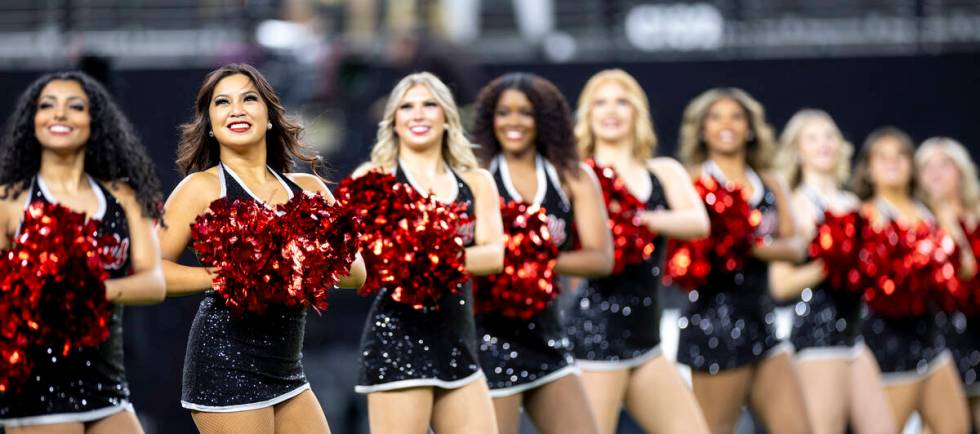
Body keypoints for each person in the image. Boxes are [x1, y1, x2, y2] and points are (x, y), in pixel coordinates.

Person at [158, 63, 366, 434]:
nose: (236, 109)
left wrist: (303, 260)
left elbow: (357, 274)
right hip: (225, 366)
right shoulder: (200, 189)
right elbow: (152, 272)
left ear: (269, 115)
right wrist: (228, 274)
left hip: (287, 370)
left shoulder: (309, 189)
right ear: (210, 122)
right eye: (222, 103)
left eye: (249, 98)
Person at [0, 71, 166, 433]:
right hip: (36, 386)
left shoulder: (125, 199)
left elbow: (153, 283)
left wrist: (87, 289)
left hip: (107, 386)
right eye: (47, 105)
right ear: (33, 121)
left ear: (95, 122)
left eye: (75, 106)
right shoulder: (10, 201)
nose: (59, 114)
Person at [349, 72, 504, 434]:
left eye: (429, 104)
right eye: (407, 107)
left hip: (459, 344)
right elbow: (357, 265)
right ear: (394, 121)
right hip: (397, 343)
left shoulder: (476, 181)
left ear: (447, 116)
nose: (418, 115)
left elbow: (494, 255)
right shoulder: (373, 179)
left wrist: (422, 258)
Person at [563, 69, 711, 434]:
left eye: (621, 101)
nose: (611, 111)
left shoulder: (663, 171)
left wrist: (639, 219)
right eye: (600, 102)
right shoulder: (578, 175)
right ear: (588, 115)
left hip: (646, 340)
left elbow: (698, 223)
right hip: (595, 338)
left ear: (637, 113)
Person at [470, 72, 611, 434]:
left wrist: (531, 258)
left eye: (526, 113)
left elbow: (600, 259)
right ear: (490, 119)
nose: (513, 122)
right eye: (503, 113)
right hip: (485, 339)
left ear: (544, 120)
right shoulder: (476, 175)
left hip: (548, 337)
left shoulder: (571, 177)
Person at [675, 87, 811, 434]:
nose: (727, 125)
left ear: (750, 128)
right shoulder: (691, 182)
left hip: (762, 321)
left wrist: (742, 242)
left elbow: (795, 247)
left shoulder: (770, 183)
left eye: (736, 116)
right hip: (712, 326)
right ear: (702, 129)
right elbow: (679, 250)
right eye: (715, 117)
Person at [771, 109, 894, 434]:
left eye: (830, 135)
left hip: (855, 336)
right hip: (817, 339)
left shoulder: (854, 203)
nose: (824, 143)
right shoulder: (793, 205)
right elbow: (780, 285)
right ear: (798, 151)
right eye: (812, 138)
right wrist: (832, 263)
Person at [852, 128, 969, 433]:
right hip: (888, 338)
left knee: (956, 427)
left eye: (901, 155)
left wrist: (944, 214)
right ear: (868, 167)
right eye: (883, 157)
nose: (893, 163)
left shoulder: (927, 212)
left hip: (931, 334)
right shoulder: (866, 214)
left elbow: (965, 268)